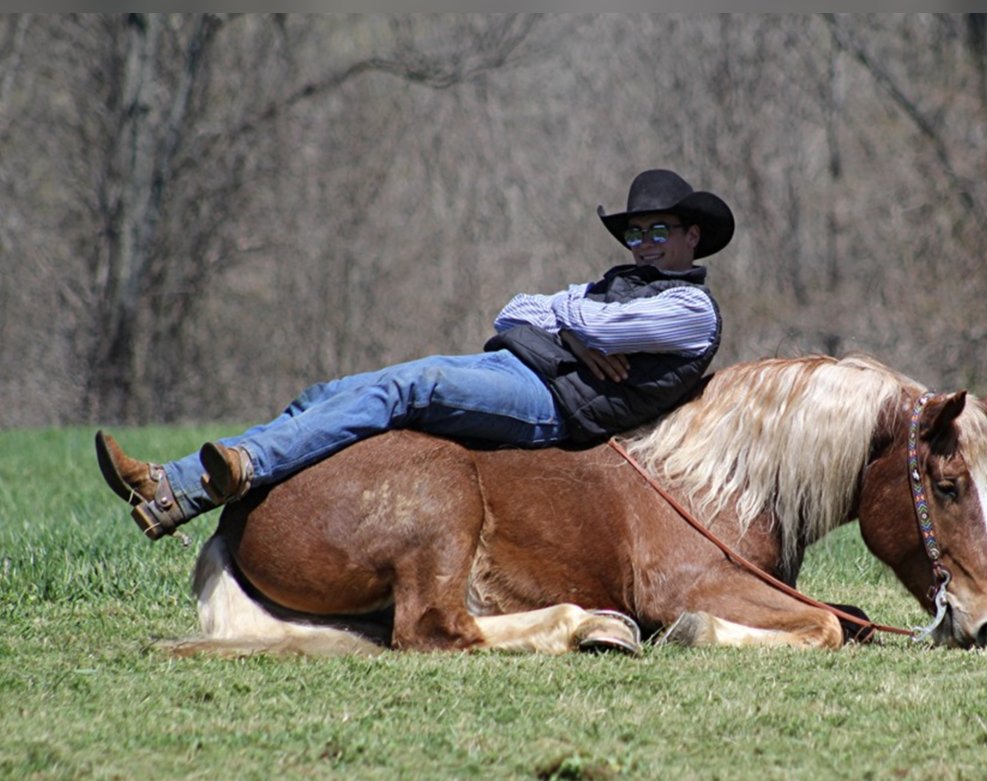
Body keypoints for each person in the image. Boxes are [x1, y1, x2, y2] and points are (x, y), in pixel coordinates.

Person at [96, 168, 735, 541]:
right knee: (328, 392)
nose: (643, 244)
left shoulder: (689, 311)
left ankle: (242, 463)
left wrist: (570, 320)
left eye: (657, 231)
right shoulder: (620, 284)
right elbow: (515, 309)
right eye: (634, 232)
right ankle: (174, 481)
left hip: (555, 407)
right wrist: (575, 330)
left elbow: (590, 320)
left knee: (411, 387)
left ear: (692, 236)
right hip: (521, 367)